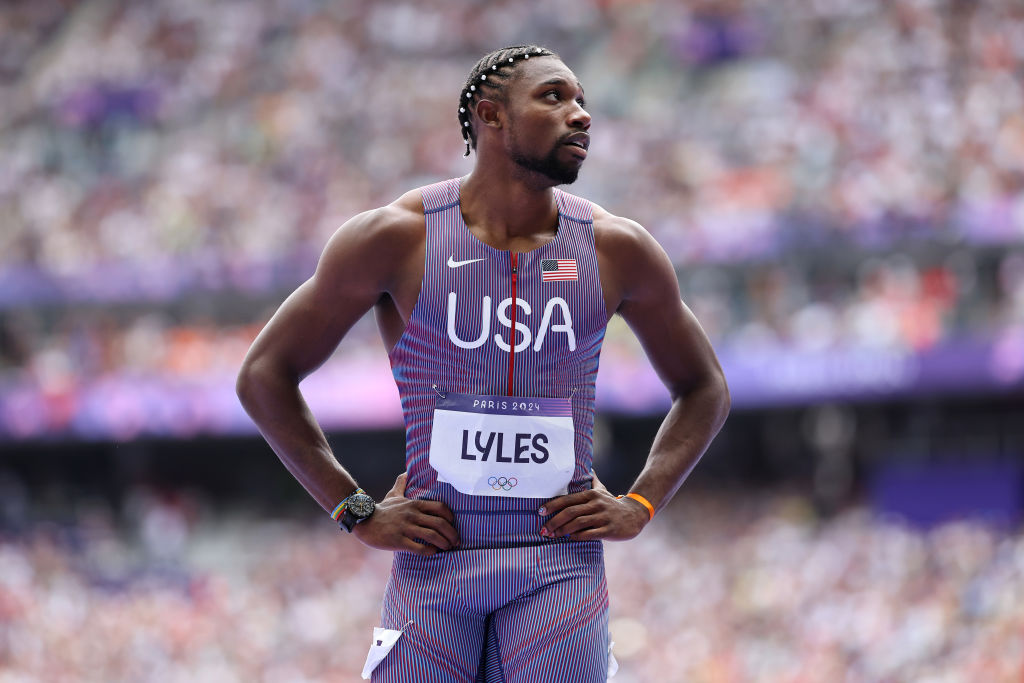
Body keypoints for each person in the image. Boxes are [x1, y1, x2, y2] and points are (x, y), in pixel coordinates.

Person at [236, 44, 730, 683]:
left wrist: (641, 502)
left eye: (582, 100)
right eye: (554, 97)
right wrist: (353, 509)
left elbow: (704, 386)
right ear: (491, 116)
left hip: (559, 567)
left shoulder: (616, 248)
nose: (580, 115)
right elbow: (263, 375)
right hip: (435, 559)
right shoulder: (395, 237)